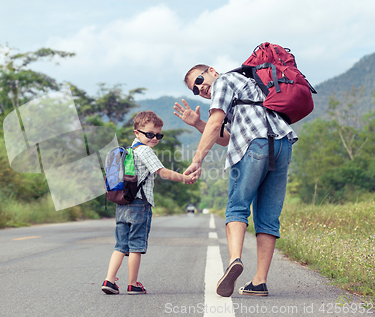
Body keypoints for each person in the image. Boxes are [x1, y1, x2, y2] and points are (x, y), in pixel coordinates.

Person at [175, 65, 297, 297]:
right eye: (196, 89)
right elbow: (226, 137)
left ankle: (234, 260)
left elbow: (215, 123)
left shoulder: (223, 82)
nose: (201, 88)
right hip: (282, 144)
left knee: (237, 207)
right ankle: (259, 281)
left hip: (255, 145)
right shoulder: (247, 85)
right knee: (268, 216)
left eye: (200, 79)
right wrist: (196, 123)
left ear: (212, 71)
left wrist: (197, 160)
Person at [101, 110, 201, 295]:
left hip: (121, 203)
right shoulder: (145, 151)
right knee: (136, 246)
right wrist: (185, 178)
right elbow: (162, 172)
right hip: (139, 204)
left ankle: (110, 280)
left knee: (121, 245)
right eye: (150, 134)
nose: (154, 138)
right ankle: (133, 284)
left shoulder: (128, 151)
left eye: (158, 135)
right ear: (136, 133)